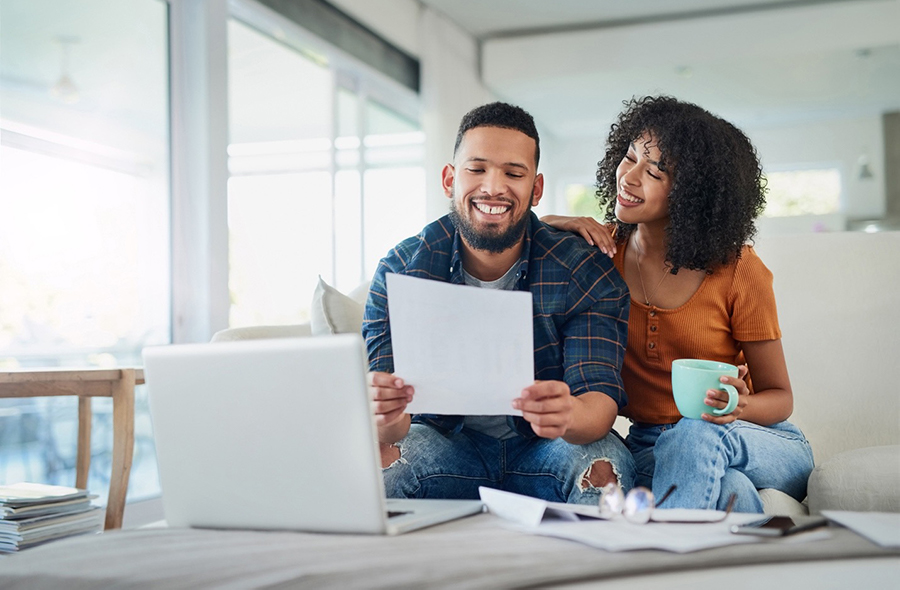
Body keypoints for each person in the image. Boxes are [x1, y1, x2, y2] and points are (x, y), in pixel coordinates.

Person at [543, 96, 814, 513]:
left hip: (757, 438)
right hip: (653, 446)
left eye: (654, 171)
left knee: (695, 432)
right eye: (629, 157)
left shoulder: (738, 269)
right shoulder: (600, 257)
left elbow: (780, 397)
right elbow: (511, 241)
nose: (629, 177)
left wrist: (740, 405)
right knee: (731, 492)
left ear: (694, 194)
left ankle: (662, 562)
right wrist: (552, 224)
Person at [363, 102, 634, 504]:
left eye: (513, 173)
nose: (493, 187)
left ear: (536, 189)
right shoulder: (400, 270)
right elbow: (392, 430)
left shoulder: (582, 269)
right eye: (477, 169)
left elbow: (598, 403)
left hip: (547, 449)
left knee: (604, 466)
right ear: (449, 180)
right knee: (378, 468)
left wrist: (568, 415)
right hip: (446, 446)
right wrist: (384, 414)